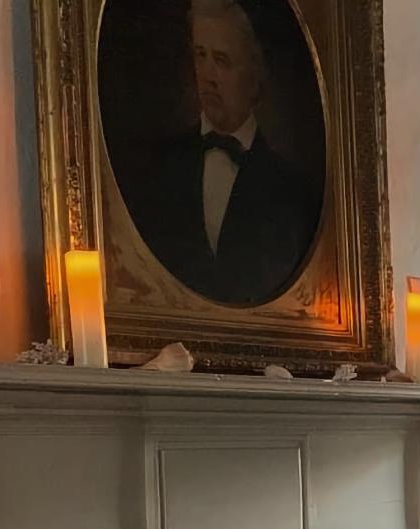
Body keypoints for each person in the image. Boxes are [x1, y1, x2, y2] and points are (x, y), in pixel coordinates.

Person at [129, 0, 322, 306]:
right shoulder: (159, 169)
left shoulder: (293, 192)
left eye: (222, 60)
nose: (207, 74)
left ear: (255, 75)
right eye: (200, 55)